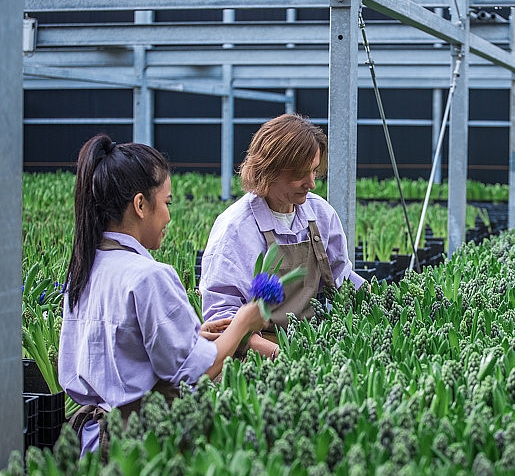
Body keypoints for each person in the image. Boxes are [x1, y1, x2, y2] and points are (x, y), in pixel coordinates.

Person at [59, 134, 266, 456]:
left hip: (89, 442)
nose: (169, 217)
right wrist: (244, 323)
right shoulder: (149, 276)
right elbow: (196, 374)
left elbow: (120, 353)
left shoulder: (84, 268)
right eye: (167, 203)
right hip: (143, 445)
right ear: (140, 204)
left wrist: (193, 337)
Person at [200, 113, 365, 358]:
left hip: (309, 343)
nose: (311, 183)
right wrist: (281, 355)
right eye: (300, 174)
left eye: (314, 171)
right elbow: (222, 321)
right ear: (269, 169)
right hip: (253, 357)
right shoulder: (236, 228)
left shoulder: (320, 214)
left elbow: (343, 279)